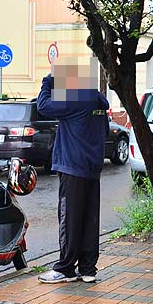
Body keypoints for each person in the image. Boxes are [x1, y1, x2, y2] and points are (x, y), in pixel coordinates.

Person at [36, 58, 110, 284]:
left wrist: (47, 80)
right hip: (91, 167)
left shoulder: (76, 97)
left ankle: (65, 269)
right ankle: (88, 269)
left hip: (72, 166)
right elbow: (104, 132)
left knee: (69, 218)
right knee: (89, 218)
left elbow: (43, 106)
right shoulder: (98, 101)